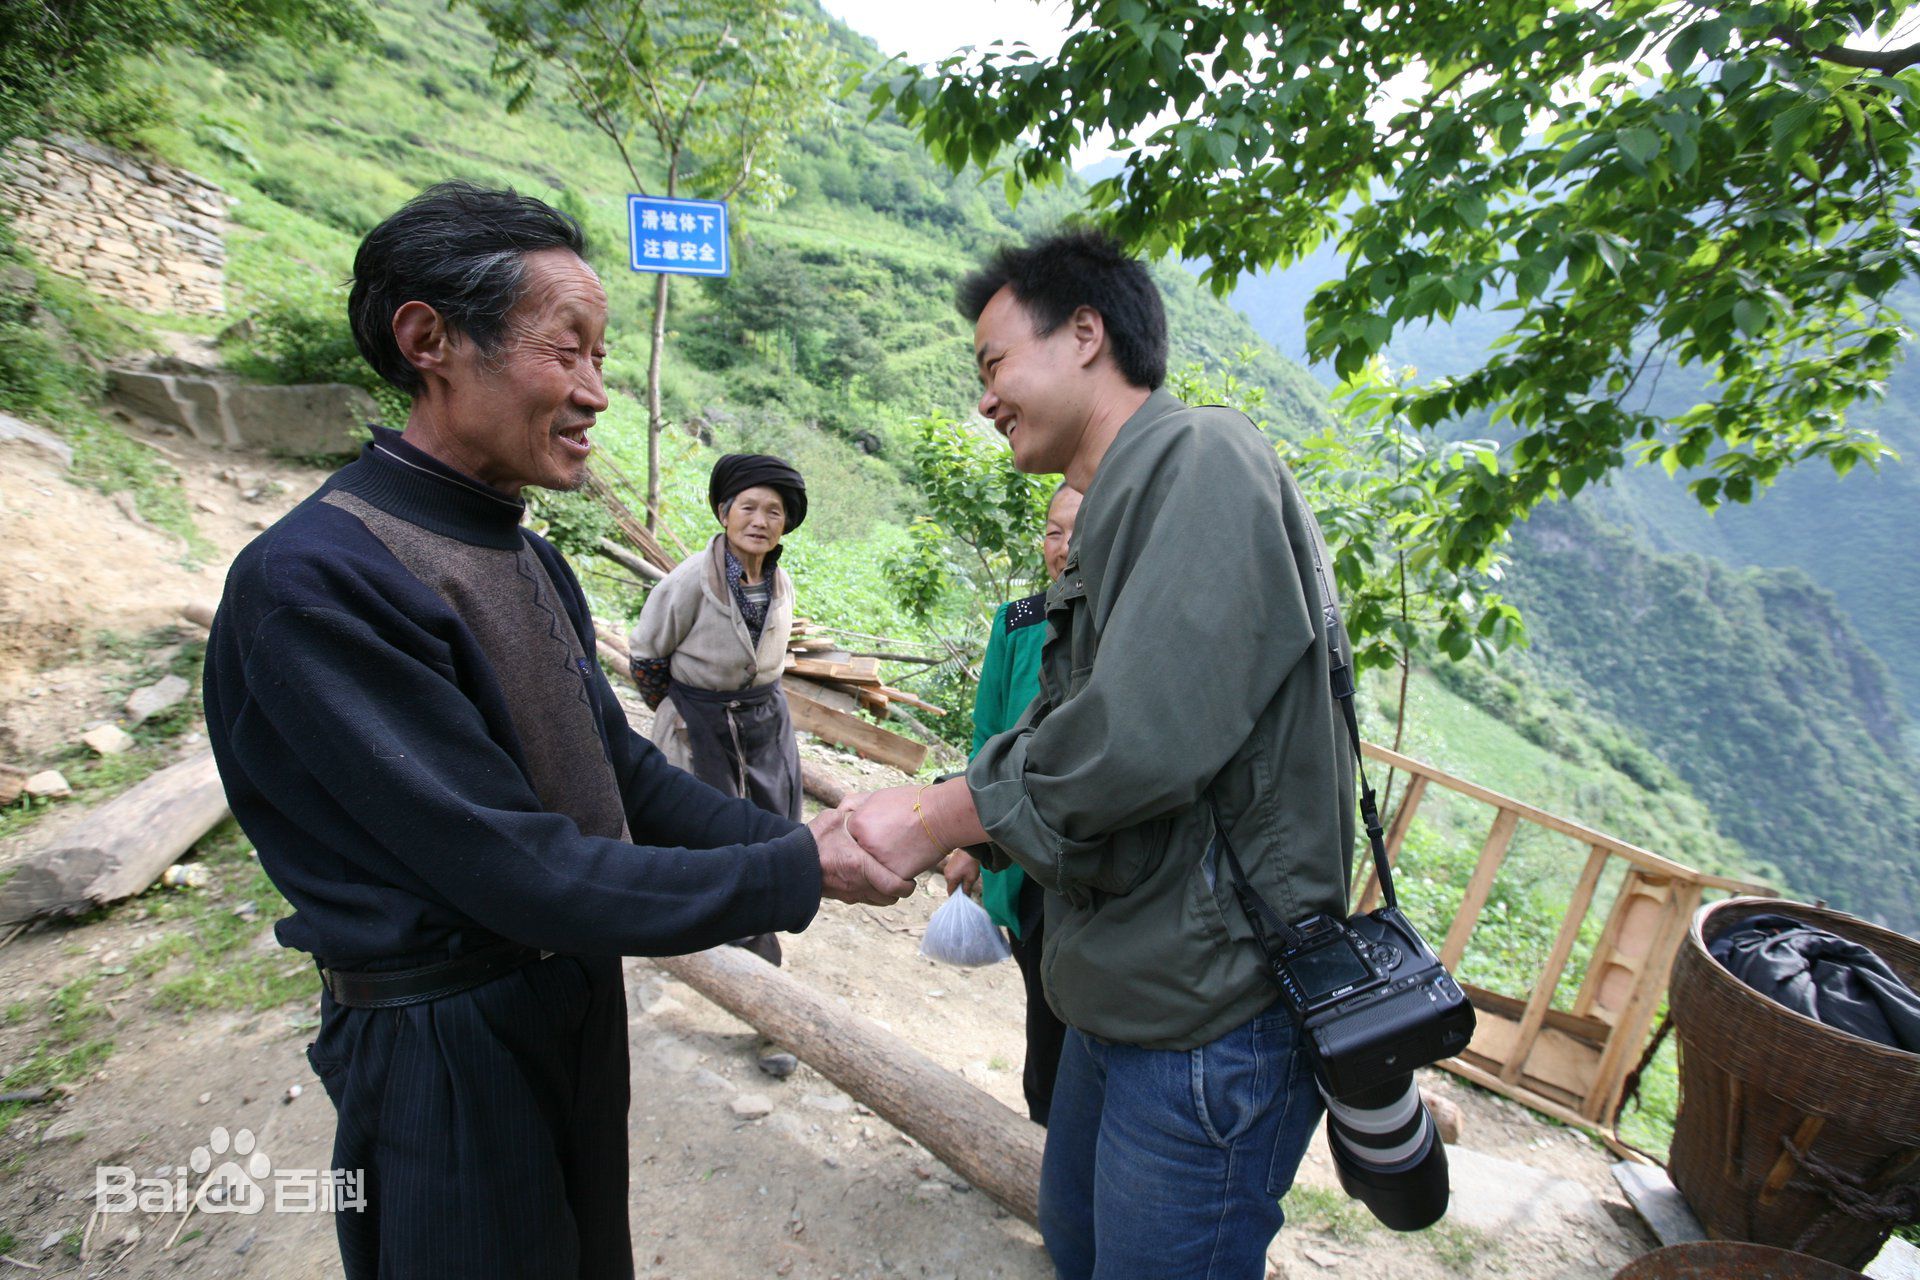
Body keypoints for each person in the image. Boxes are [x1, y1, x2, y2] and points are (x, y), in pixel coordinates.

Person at [201, 181, 911, 1280]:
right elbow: (519, 867)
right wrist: (796, 869)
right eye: (565, 351)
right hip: (446, 1043)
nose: (594, 393)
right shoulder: (318, 581)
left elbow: (618, 769)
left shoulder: (528, 558)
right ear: (429, 338)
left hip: (566, 997)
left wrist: (805, 839)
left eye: (602, 359)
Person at [840, 228, 1357, 1279]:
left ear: (1086, 334)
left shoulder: (1203, 457)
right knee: (1076, 1248)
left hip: (1209, 1021)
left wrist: (940, 816)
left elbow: (1137, 735)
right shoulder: (1118, 507)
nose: (984, 399)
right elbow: (1059, 720)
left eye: (993, 365)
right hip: (1120, 1000)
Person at [628, 455, 809, 965]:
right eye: (747, 508)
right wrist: (679, 710)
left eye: (773, 512)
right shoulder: (688, 581)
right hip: (698, 723)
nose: (760, 521)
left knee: (771, 825)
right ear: (724, 513)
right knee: (699, 827)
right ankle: (693, 941)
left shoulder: (780, 582)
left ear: (785, 524)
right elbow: (645, 657)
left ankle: (754, 934)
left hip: (765, 724)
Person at [940, 482, 1081, 1126]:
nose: (1063, 547)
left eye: (1079, 531)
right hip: (1022, 857)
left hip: (1086, 856)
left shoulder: (1125, 623)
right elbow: (987, 736)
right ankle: (1043, 1130)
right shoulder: (1018, 621)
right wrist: (970, 842)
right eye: (1054, 531)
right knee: (1046, 1011)